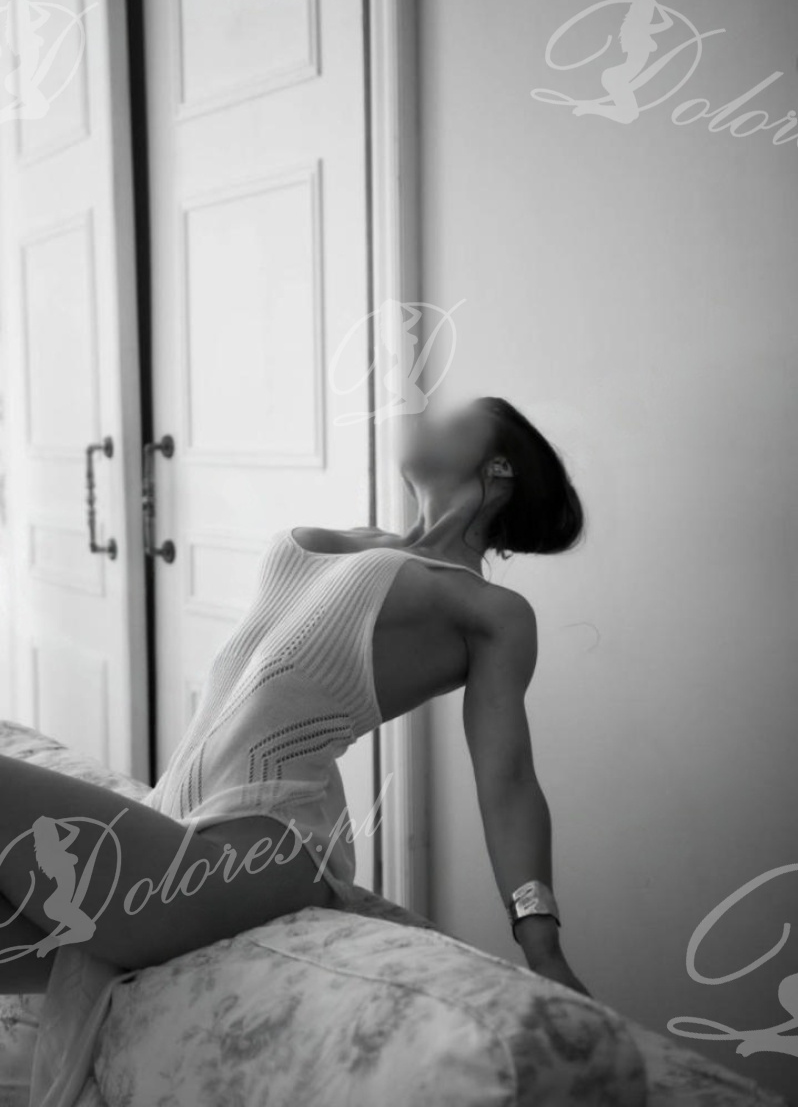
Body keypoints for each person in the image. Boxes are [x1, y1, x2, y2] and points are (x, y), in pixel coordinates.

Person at [3, 394, 589, 1105]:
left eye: (456, 417)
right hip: (174, 822)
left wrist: (542, 945)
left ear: (499, 468)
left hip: (258, 846)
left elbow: (509, 780)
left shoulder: (489, 611)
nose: (426, 413)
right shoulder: (351, 538)